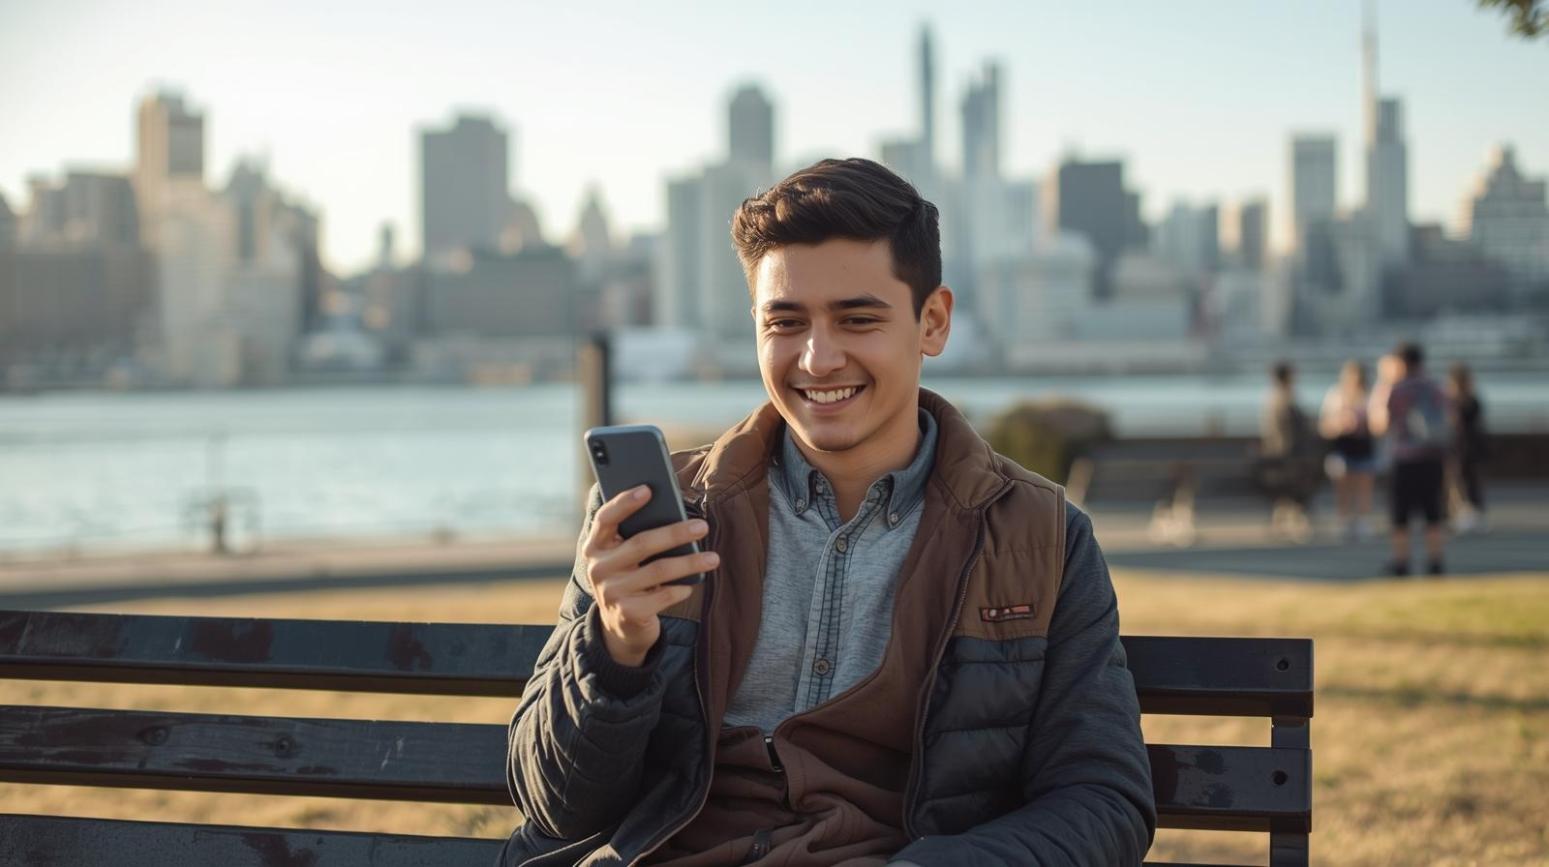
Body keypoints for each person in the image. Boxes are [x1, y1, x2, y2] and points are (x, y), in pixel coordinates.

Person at [501, 159, 1156, 866]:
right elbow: (554, 805)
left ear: (931, 321)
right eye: (785, 321)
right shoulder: (653, 515)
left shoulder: (1041, 539)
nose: (816, 358)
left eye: (856, 318)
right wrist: (615, 646)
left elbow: (1101, 800)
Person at [1368, 342, 1451, 576]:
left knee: (1400, 514)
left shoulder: (1397, 389)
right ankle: (1436, 561)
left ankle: (1401, 561)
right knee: (1433, 511)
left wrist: (1384, 381)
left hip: (1404, 459)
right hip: (1433, 457)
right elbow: (1449, 419)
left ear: (1401, 363)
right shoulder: (1436, 386)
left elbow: (1379, 424)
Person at [1318, 360, 1377, 540]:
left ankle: (1362, 520)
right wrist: (1340, 424)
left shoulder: (1369, 396)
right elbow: (1324, 425)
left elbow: (1378, 424)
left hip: (1363, 446)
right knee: (1343, 484)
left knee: (1364, 483)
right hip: (1341, 447)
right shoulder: (1335, 395)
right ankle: (1344, 519)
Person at [1259, 361, 1318, 542]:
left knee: (1286, 492)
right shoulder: (1284, 399)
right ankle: (1292, 523)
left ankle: (1283, 522)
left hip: (1280, 452)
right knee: (1294, 489)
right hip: (1289, 454)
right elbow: (1292, 430)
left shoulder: (1273, 398)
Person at [1447, 363, 1488, 533]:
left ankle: (1469, 514)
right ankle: (1464, 513)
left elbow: (1456, 422)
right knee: (1461, 480)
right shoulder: (1468, 400)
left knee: (1464, 480)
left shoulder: (1466, 401)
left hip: (1465, 446)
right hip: (1463, 446)